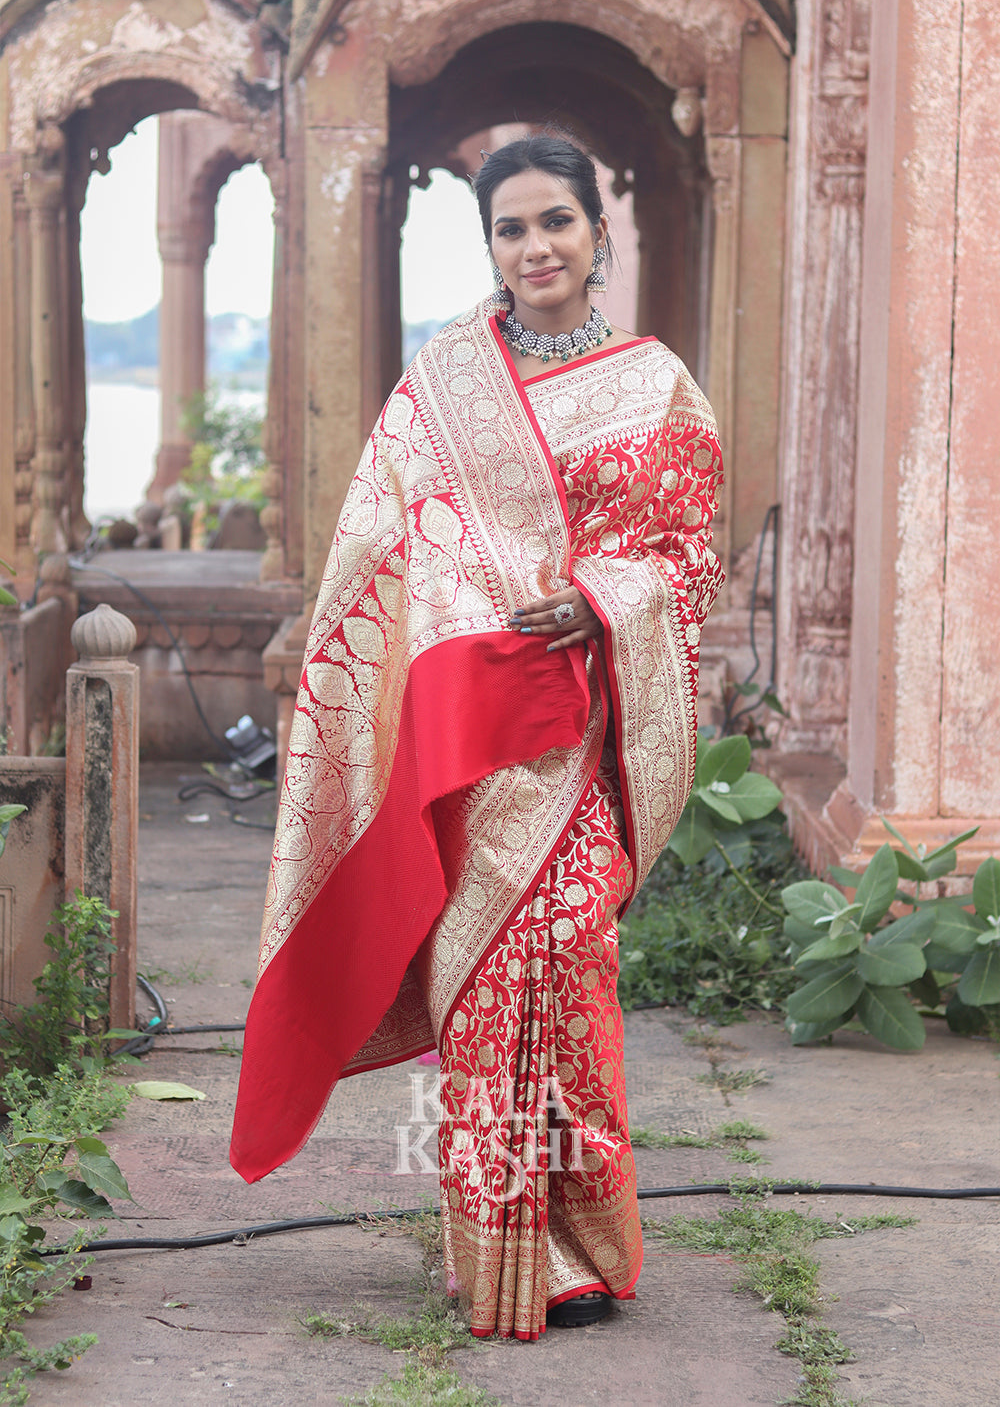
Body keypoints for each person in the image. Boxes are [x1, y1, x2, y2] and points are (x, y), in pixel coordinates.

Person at [230, 135, 725, 1341]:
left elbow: (686, 556)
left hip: (573, 726)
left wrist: (603, 597)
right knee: (483, 987)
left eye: (556, 220)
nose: (535, 247)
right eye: (510, 228)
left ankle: (583, 1244)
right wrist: (458, 611)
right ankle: (497, 1250)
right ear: (490, 247)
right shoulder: (443, 385)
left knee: (566, 966)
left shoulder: (654, 387)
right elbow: (378, 546)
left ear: (599, 233)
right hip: (464, 735)